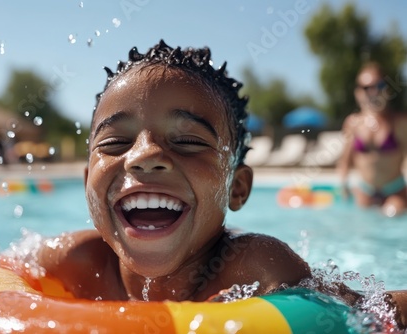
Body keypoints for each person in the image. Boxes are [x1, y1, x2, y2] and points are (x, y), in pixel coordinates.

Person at [38, 41, 407, 329]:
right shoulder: (73, 263)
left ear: (237, 188)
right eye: (115, 142)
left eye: (188, 141)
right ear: (88, 184)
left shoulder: (255, 268)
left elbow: (369, 311)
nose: (145, 155)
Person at [338, 62, 407, 217]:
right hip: (365, 191)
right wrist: (343, 186)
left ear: (387, 90)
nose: (373, 91)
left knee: (393, 214)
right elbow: (346, 159)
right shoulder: (353, 123)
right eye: (366, 88)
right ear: (358, 92)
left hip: (395, 191)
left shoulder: (400, 123)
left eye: (379, 85)